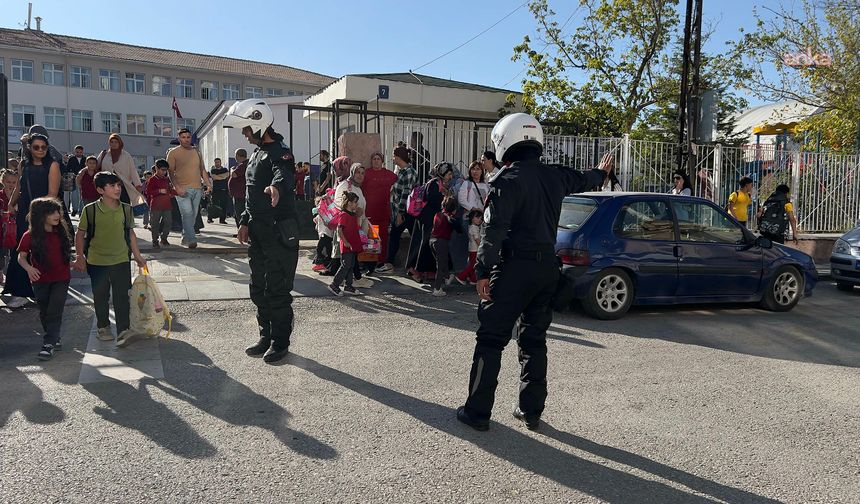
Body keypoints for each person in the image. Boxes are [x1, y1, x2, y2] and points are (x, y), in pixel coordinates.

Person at [457, 113, 609, 432]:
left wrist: (482, 271)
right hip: (546, 271)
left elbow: (493, 231)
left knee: (491, 339)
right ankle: (531, 411)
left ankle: (477, 411)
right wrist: (600, 172)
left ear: (505, 140)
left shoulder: (506, 181)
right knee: (534, 340)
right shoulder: (555, 175)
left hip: (513, 268)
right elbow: (584, 179)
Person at [223, 98, 299, 364]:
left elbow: (284, 174)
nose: (244, 134)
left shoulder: (281, 152)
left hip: (278, 232)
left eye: (246, 128)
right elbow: (250, 192)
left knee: (277, 290)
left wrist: (277, 187)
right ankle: (265, 336)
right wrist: (244, 221)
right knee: (259, 287)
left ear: (258, 123)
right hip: (258, 231)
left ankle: (280, 342)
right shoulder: (257, 153)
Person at [73, 172, 147, 345]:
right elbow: (80, 233)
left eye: (118, 185)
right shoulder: (90, 210)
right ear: (100, 189)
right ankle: (103, 327)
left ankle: (123, 330)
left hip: (121, 259)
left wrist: (137, 256)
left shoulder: (126, 208)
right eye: (112, 186)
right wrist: (79, 256)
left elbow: (130, 233)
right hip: (96, 261)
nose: (117, 189)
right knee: (100, 296)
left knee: (122, 296)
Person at [2, 133, 61, 309]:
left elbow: (52, 194)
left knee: (41, 252)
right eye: (36, 147)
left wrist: (37, 213)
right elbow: (19, 188)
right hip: (23, 214)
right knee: (20, 251)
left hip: (43, 214)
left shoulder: (53, 165)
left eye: (44, 147)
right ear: (29, 148)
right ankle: (20, 292)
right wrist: (11, 205)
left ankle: (41, 292)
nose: (41, 150)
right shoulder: (23, 164)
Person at [16, 197, 72, 360]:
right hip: (39, 279)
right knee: (45, 311)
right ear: (41, 215)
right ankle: (55, 337)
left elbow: (65, 254)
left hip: (61, 277)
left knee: (55, 309)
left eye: (58, 211)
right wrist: (29, 268)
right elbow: (21, 257)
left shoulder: (61, 232)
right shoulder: (29, 235)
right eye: (52, 212)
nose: (57, 215)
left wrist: (74, 262)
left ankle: (48, 344)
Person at [407, 162, 454, 283]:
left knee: (427, 246)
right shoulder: (434, 183)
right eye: (448, 174)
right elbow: (432, 199)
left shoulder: (439, 184)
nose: (450, 177)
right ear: (442, 173)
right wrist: (444, 197)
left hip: (430, 219)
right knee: (423, 245)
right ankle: (415, 270)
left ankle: (426, 271)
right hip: (427, 219)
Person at [167, 128, 213, 249]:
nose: (186, 139)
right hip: (182, 189)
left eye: (188, 137)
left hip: (197, 188)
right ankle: (192, 240)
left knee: (193, 215)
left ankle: (185, 236)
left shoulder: (197, 152)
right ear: (179, 138)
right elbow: (170, 172)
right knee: (187, 214)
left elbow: (202, 169)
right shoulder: (173, 153)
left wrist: (208, 184)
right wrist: (177, 187)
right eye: (183, 137)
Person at [377, 146, 417, 273]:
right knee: (413, 237)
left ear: (398, 157)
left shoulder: (408, 172)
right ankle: (412, 266)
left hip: (405, 212)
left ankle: (390, 264)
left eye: (394, 156)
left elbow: (406, 194)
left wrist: (400, 213)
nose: (392, 159)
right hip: (400, 211)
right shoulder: (402, 171)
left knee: (396, 236)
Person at [332, 163, 372, 288]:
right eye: (358, 172)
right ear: (352, 172)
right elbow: (338, 202)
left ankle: (350, 282)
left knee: (351, 257)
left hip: (356, 227)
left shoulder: (358, 188)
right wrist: (354, 211)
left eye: (362, 173)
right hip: (346, 228)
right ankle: (342, 282)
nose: (360, 175)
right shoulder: (345, 185)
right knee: (347, 259)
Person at [362, 152, 398, 271]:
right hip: (370, 212)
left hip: (383, 212)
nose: (376, 161)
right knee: (371, 238)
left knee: (383, 238)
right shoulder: (366, 173)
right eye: (374, 159)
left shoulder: (389, 174)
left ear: (382, 161)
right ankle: (371, 265)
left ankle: (381, 262)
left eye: (378, 159)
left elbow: (398, 183)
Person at [327, 192, 364, 297]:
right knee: (345, 265)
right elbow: (339, 229)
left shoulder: (352, 215)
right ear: (349, 203)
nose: (357, 205)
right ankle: (334, 284)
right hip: (347, 245)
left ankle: (348, 285)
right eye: (355, 203)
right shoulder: (344, 215)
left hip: (352, 245)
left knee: (350, 265)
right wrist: (346, 241)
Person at [456, 160, 489, 270]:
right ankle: (467, 271)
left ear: (482, 171)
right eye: (473, 169)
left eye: (478, 169)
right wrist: (473, 208)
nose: (475, 171)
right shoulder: (467, 183)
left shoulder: (485, 185)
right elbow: (461, 199)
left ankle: (472, 271)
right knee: (471, 245)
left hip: (482, 219)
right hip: (469, 219)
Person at [97, 134, 143, 206]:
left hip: (123, 187)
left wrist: (138, 185)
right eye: (112, 142)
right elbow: (95, 167)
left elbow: (132, 170)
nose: (114, 144)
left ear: (120, 143)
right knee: (109, 208)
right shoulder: (104, 154)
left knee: (123, 208)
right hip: (108, 187)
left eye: (116, 142)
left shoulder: (126, 156)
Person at [429, 197, 458, 296]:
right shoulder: (449, 217)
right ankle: (437, 288)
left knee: (442, 261)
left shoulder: (438, 214)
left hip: (432, 240)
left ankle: (447, 277)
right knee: (441, 265)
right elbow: (458, 228)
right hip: (441, 242)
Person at [145, 159, 175, 248]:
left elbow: (170, 190)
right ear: (156, 169)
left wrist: (177, 193)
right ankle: (155, 240)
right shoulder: (152, 179)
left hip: (167, 205)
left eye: (166, 170)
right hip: (155, 206)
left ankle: (164, 238)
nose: (164, 172)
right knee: (155, 224)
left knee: (168, 222)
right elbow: (148, 191)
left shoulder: (166, 179)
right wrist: (159, 191)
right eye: (162, 170)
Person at [0, 170, 19, 286]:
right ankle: (1, 272)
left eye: (13, 182)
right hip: (2, 227)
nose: (11, 184)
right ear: (3, 181)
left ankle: (12, 275)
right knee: (1, 251)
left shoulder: (18, 195)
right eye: (8, 182)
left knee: (14, 251)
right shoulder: (0, 195)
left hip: (14, 228)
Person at [455, 210, 483, 285]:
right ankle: (461, 276)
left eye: (480, 218)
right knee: (473, 265)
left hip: (471, 248)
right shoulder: (474, 228)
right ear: (471, 218)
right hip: (475, 249)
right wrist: (481, 247)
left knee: (473, 264)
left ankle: (473, 279)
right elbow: (477, 239)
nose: (479, 220)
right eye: (477, 217)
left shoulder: (471, 227)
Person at [228, 149, 248, 229]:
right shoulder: (242, 164)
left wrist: (232, 169)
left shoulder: (243, 165)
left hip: (240, 194)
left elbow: (234, 174)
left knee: (240, 213)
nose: (235, 157)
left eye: (236, 155)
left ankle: (244, 233)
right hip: (237, 194)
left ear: (239, 156)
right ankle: (240, 231)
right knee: (237, 214)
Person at [65, 145, 86, 216]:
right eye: (77, 152)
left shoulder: (85, 159)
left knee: (82, 195)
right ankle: (75, 209)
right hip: (73, 179)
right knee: (74, 195)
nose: (79, 153)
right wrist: (71, 174)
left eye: (80, 152)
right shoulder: (72, 159)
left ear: (82, 152)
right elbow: (67, 168)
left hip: (83, 179)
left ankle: (81, 210)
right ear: (75, 152)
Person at [208, 157, 230, 224]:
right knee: (214, 204)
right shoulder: (213, 170)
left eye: (218, 162)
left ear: (220, 162)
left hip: (224, 190)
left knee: (224, 205)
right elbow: (214, 176)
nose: (217, 163)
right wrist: (222, 177)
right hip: (215, 190)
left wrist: (218, 177)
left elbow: (227, 175)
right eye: (216, 162)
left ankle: (222, 220)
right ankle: (210, 218)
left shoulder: (225, 169)